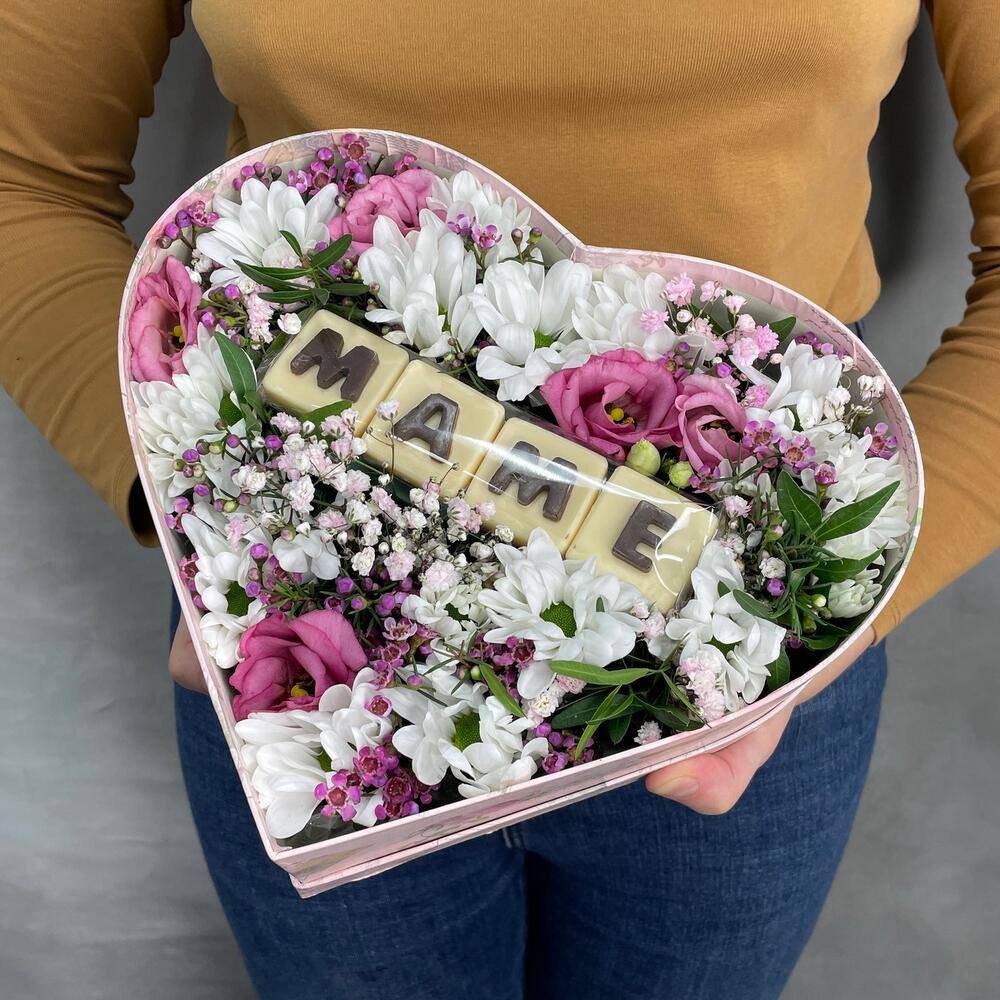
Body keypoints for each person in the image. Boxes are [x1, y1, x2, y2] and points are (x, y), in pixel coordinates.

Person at [1, 2, 997, 998]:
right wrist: (197, 495)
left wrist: (852, 590)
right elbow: (23, 182)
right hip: (316, 659)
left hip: (747, 662)